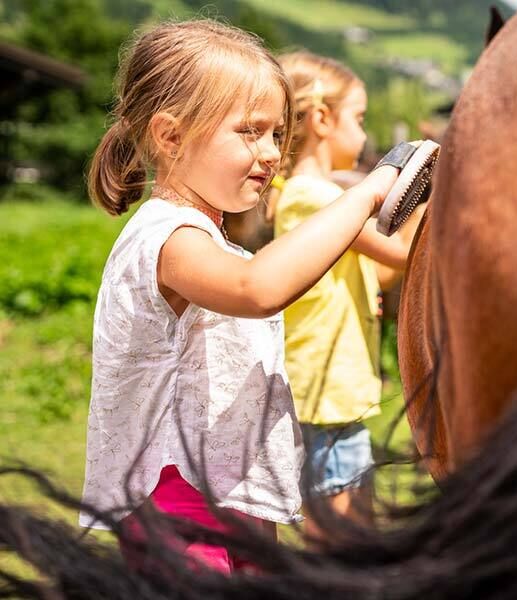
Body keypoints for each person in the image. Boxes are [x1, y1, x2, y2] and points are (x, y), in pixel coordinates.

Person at [80, 20, 407, 574]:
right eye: (250, 132)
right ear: (170, 136)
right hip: (177, 503)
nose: (271, 152)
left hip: (236, 497)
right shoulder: (166, 237)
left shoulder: (210, 240)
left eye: (277, 134)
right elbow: (259, 290)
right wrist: (369, 193)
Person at [266, 51, 424, 544]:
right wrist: (430, 180)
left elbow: (376, 271)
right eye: (357, 118)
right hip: (328, 398)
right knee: (345, 547)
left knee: (342, 542)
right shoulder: (314, 198)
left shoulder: (313, 196)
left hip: (331, 395)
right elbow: (400, 250)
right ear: (321, 120)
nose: (362, 133)